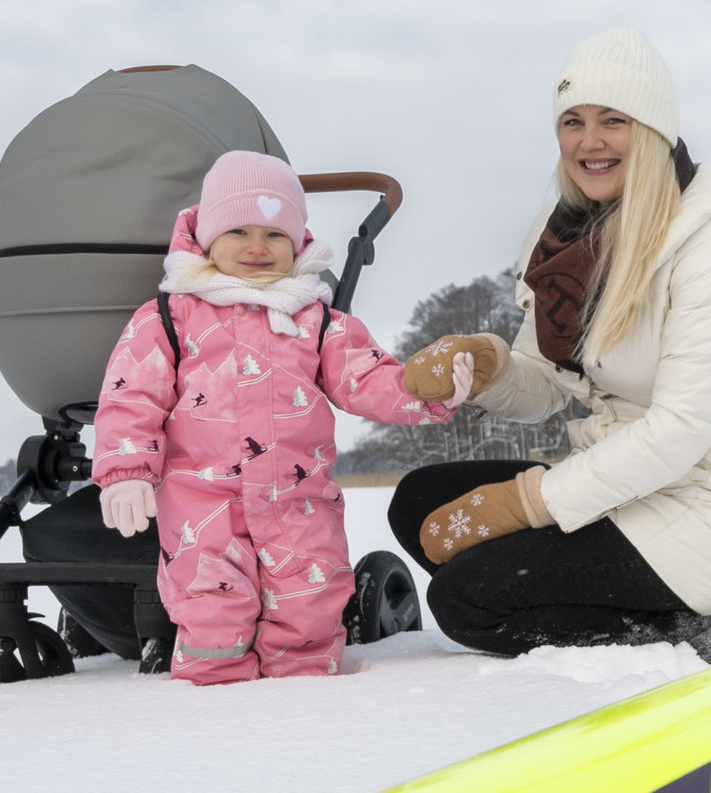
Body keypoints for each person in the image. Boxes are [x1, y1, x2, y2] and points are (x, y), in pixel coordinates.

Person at [386, 27, 711, 662]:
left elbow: (680, 432)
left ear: (653, 131)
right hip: (622, 485)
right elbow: (545, 383)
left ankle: (704, 631)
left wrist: (526, 504)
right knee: (418, 503)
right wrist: (487, 364)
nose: (589, 141)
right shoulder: (567, 237)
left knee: (466, 601)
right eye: (572, 121)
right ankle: (597, 599)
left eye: (613, 120)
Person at [92, 150, 471, 684]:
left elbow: (367, 378)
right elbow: (131, 396)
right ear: (206, 238)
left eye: (274, 235)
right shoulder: (169, 316)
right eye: (239, 231)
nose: (256, 247)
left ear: (297, 243)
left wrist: (427, 392)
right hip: (204, 504)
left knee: (312, 607)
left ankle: (305, 711)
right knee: (211, 610)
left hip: (299, 503)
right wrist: (126, 471)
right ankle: (215, 706)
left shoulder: (316, 320)